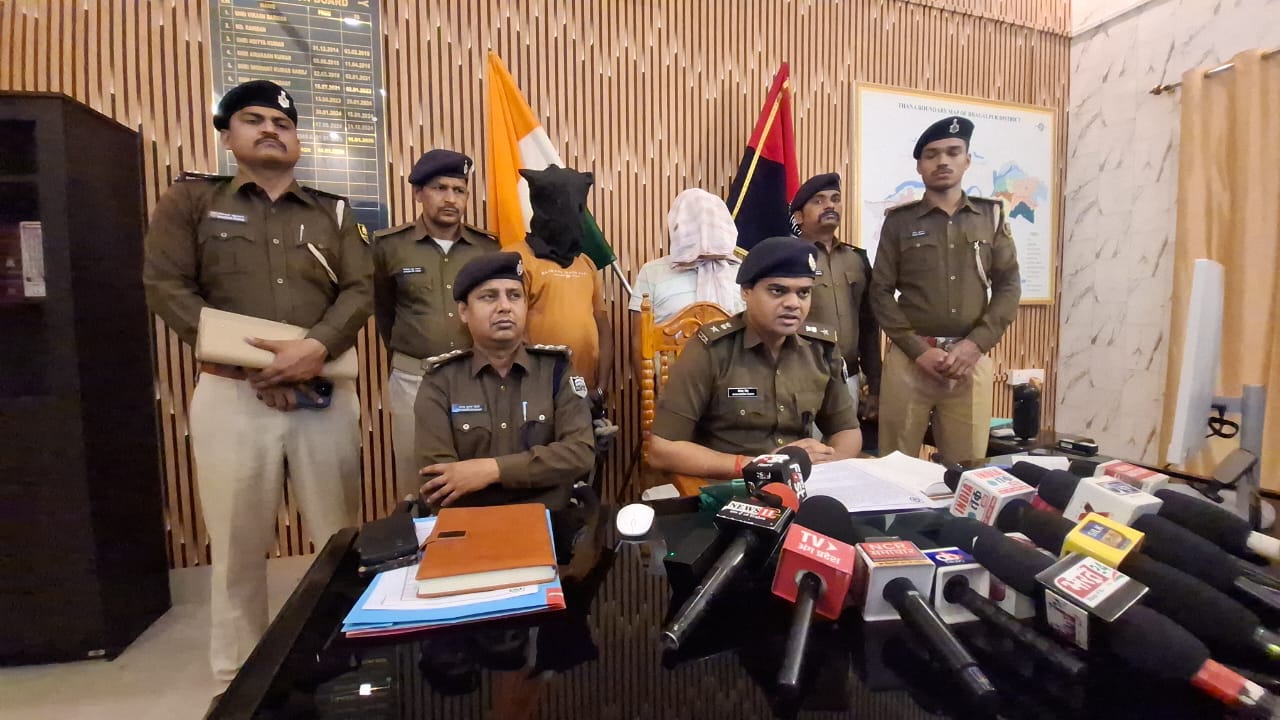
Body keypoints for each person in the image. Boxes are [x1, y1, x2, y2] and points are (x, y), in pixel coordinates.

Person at [142, 80, 372, 680]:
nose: (271, 129)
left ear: (297, 140)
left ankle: (343, 665)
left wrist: (315, 348)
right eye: (254, 119)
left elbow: (359, 290)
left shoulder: (333, 212)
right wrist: (257, 364)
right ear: (228, 136)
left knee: (338, 539)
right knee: (237, 547)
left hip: (322, 393)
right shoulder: (191, 202)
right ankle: (237, 681)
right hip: (230, 393)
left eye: (283, 122)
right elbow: (167, 287)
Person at [870, 115, 1021, 463]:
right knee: (895, 465)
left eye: (953, 152)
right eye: (932, 154)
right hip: (911, 359)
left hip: (969, 360)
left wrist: (975, 345)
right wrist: (917, 350)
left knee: (967, 468)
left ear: (967, 160)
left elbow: (1008, 286)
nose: (942, 161)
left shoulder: (990, 217)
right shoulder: (900, 222)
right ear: (919, 166)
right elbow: (880, 292)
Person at [647, 236, 863, 479]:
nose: (793, 303)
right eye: (777, 291)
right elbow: (662, 450)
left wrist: (829, 464)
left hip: (800, 485)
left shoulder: (820, 349)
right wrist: (759, 466)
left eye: (803, 293)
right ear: (746, 291)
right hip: (730, 486)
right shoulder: (710, 350)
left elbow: (847, 431)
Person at [414, 252, 595, 511]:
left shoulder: (556, 371)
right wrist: (537, 473)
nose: (504, 307)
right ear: (464, 311)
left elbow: (579, 453)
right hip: (470, 523)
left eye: (514, 295)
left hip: (548, 521)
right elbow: (438, 479)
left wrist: (492, 470)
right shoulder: (441, 380)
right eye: (489, 297)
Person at [372, 149, 499, 499]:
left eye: (459, 190)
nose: (450, 199)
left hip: (475, 379)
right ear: (418, 193)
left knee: (476, 475)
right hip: (414, 379)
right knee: (419, 479)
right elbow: (384, 311)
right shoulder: (390, 246)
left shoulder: (486, 248)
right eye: (440, 188)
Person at [510, 165, 613, 405]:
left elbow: (603, 328)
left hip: (586, 395)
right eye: (563, 207)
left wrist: (601, 389)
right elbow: (507, 334)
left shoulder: (585, 263)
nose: (573, 217)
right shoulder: (515, 260)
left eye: (579, 208)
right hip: (533, 397)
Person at [790, 172, 882, 425]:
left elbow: (869, 326)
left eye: (835, 199)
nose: (830, 205)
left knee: (845, 446)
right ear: (799, 217)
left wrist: (875, 385)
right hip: (800, 377)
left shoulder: (856, 258)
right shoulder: (787, 258)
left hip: (848, 377)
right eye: (818, 201)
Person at [629, 188, 745, 375]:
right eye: (694, 222)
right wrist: (650, 391)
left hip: (736, 383)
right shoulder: (652, 272)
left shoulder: (744, 273)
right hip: (672, 385)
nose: (703, 229)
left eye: (710, 222)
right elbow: (639, 342)